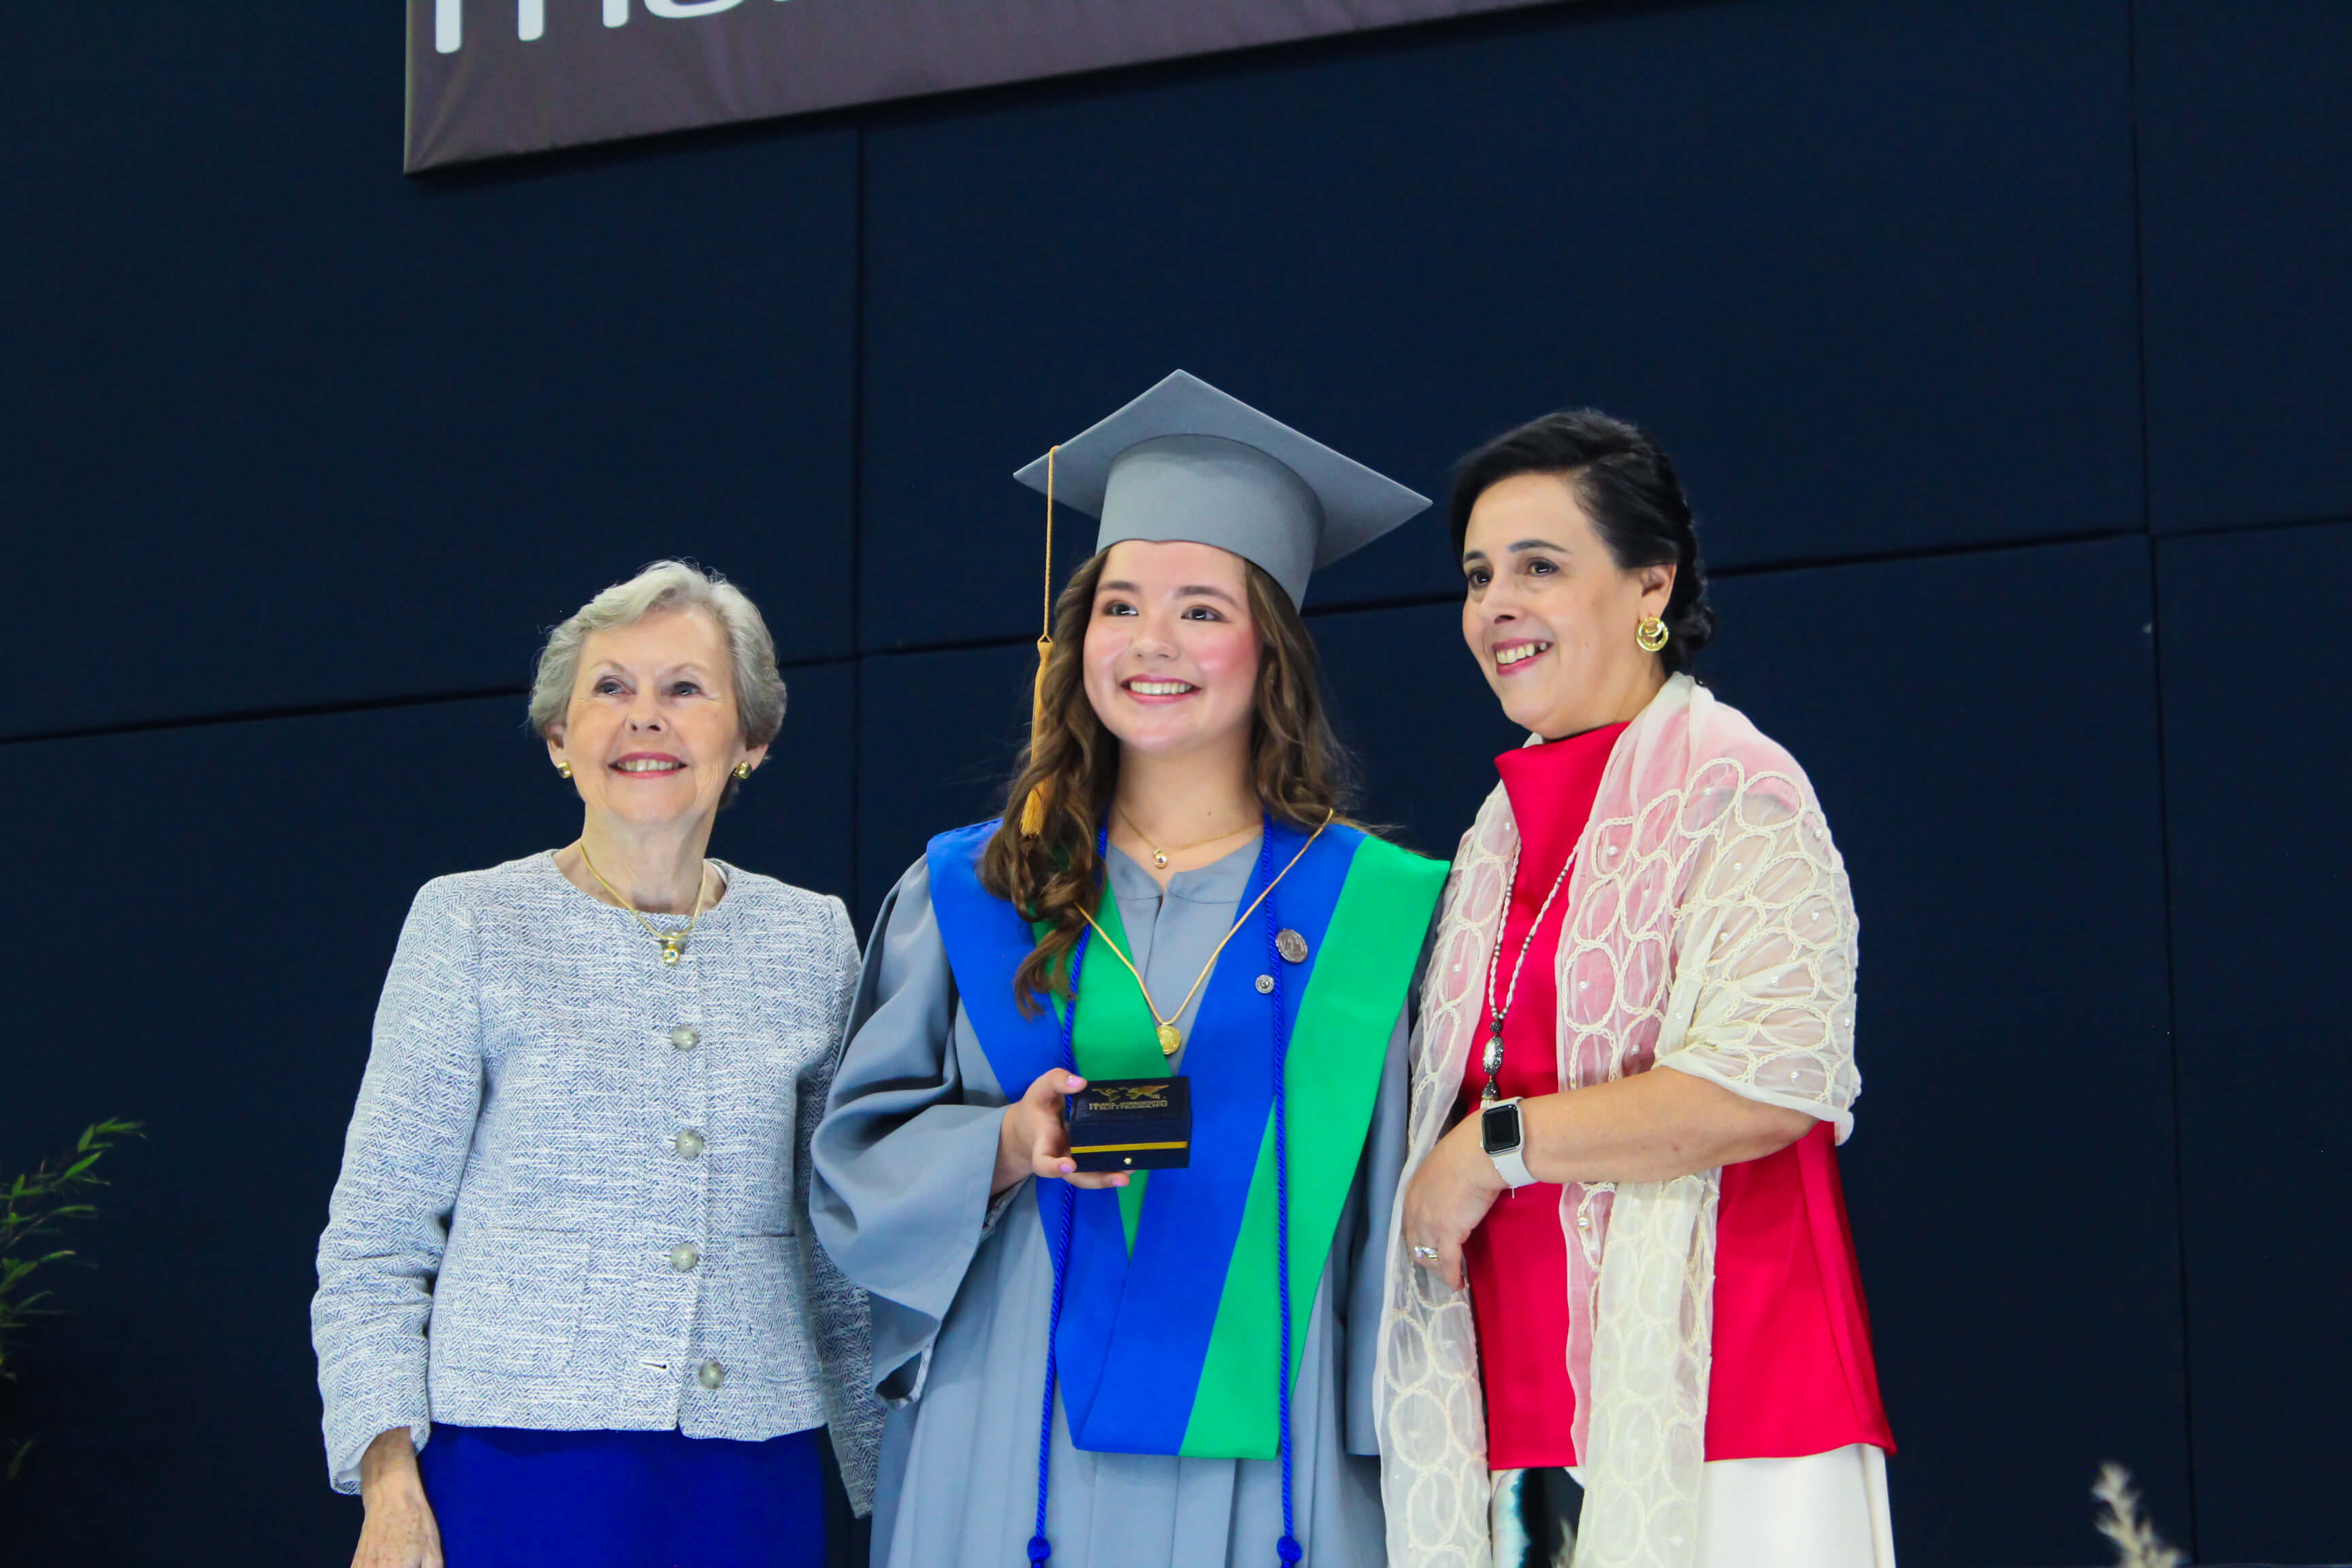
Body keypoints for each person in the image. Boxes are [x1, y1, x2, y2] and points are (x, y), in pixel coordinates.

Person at [811, 371, 1448, 1568]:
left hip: (1280, 1454)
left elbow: (1400, 1228)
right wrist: (1005, 1145)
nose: (1153, 643)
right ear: (1077, 639)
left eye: (1202, 610)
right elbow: (856, 1167)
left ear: (1272, 650)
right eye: (1120, 606)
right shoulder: (975, 891)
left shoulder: (1377, 913)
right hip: (1013, 1428)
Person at [1383, 412, 1895, 1568]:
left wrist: (1489, 1149)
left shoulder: (1741, 789)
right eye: (1478, 576)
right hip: (1515, 1408)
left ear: (1651, 584)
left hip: (1732, 1395)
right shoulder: (1495, 834)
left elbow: (1768, 1083)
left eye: (1539, 568)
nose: (1496, 606)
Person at [312, 561, 881, 1568]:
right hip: (518, 1472)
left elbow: (839, 1245)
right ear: (559, 740)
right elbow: (375, 1241)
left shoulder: (813, 939)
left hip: (753, 1476)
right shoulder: (471, 922)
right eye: (611, 688)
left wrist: (890, 1484)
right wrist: (388, 1487)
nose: (644, 717)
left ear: (751, 742)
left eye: (685, 689)